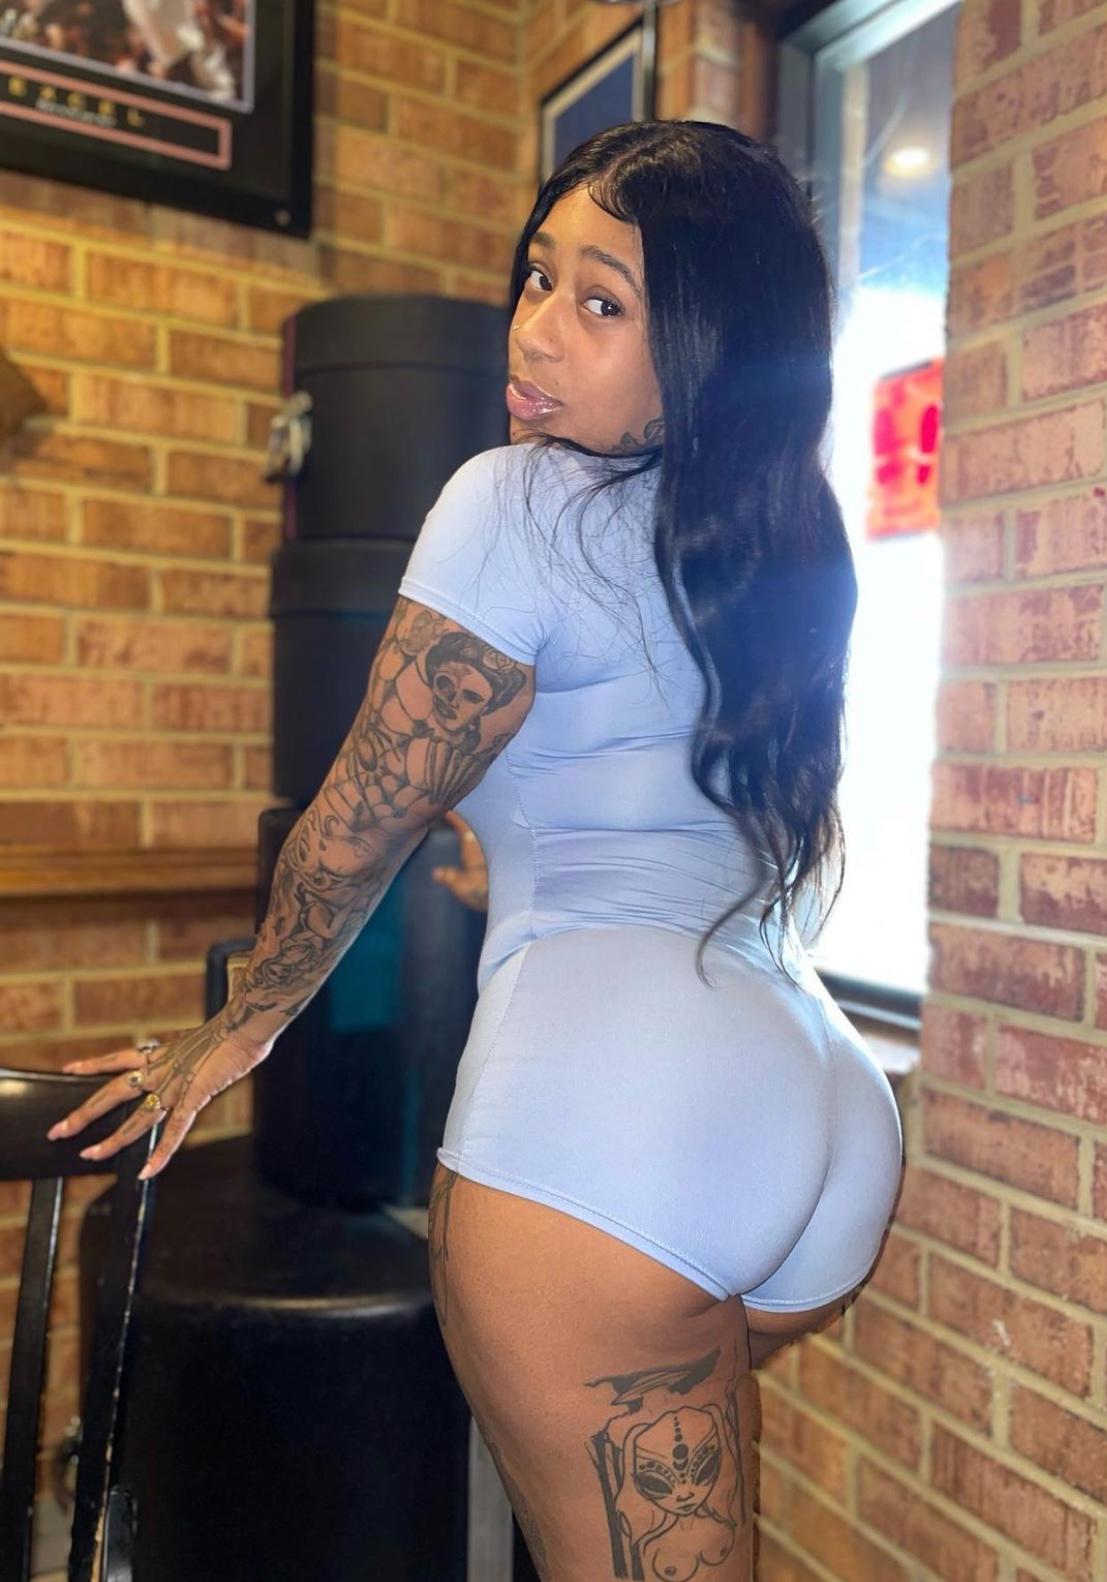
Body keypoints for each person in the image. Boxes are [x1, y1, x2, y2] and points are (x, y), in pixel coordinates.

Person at [45, 120, 904, 1580]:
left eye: (603, 300)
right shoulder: (782, 545)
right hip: (819, 1105)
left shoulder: (512, 504)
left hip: (611, 1139)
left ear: (705, 352)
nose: (537, 326)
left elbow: (358, 813)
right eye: (539, 275)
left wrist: (242, 1023)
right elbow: (678, 821)